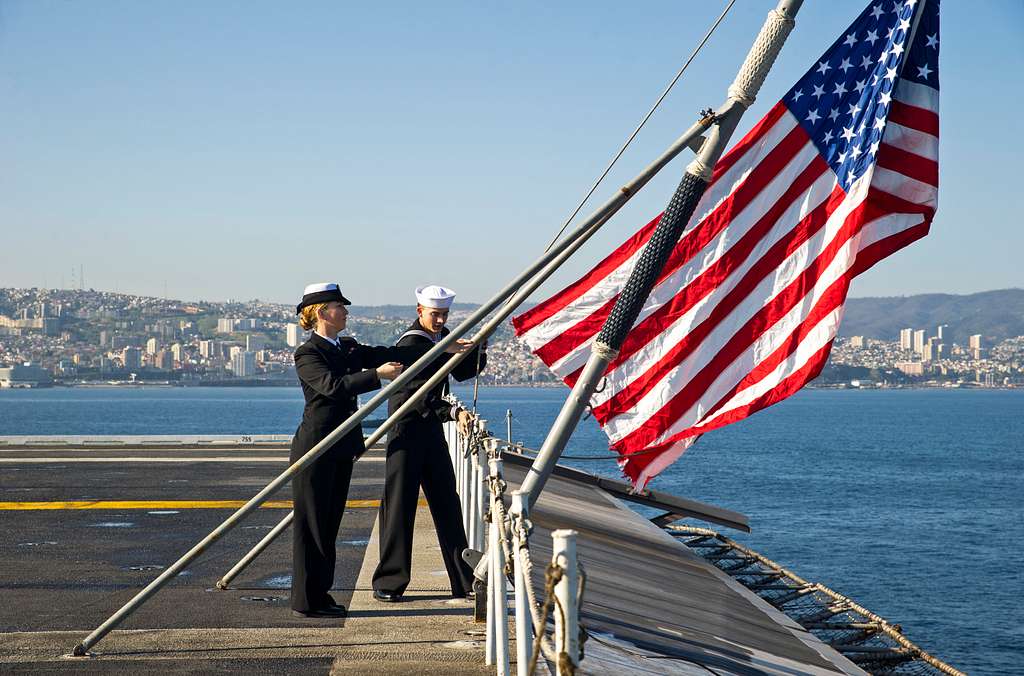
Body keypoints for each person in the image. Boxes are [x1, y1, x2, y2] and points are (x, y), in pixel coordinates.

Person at [288, 282, 466, 618]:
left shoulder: (346, 347)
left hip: (340, 447)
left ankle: (321, 595)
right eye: (340, 307)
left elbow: (392, 353)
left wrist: (442, 349)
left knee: (329, 526)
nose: (346, 312)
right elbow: (332, 387)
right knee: (311, 528)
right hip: (315, 448)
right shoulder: (308, 354)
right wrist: (375, 376)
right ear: (323, 312)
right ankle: (305, 601)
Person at [372, 284, 486, 602]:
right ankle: (389, 581)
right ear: (420, 312)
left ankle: (463, 579)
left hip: (430, 432)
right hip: (406, 432)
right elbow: (416, 394)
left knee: (448, 503)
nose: (440, 320)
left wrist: (479, 347)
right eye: (435, 315)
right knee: (399, 507)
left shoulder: (441, 338)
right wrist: (452, 411)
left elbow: (463, 372)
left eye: (444, 315)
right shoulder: (412, 343)